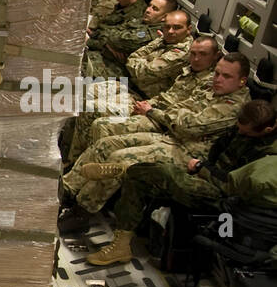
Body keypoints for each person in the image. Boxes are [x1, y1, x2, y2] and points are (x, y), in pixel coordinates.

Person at [59, 52, 252, 230]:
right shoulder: (213, 90)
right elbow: (180, 108)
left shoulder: (234, 107)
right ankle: (67, 191)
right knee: (107, 144)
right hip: (171, 136)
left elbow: (190, 125)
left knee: (119, 157)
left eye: (226, 76)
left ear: (242, 81)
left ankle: (83, 210)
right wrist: (180, 117)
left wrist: (177, 117)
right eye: (217, 73)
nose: (218, 79)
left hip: (187, 154)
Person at [84, 99, 277, 265]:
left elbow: (232, 185)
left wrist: (203, 169)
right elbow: (218, 149)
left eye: (246, 133)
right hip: (208, 173)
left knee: (165, 172)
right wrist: (204, 166)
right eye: (239, 129)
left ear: (267, 129)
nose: (240, 134)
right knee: (139, 181)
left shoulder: (267, 157)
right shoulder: (243, 127)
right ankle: (121, 245)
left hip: (223, 196)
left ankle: (125, 169)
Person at [67, 33, 221, 164]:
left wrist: (150, 110)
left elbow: (145, 73)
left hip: (160, 119)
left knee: (101, 123)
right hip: (150, 104)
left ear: (216, 56)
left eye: (203, 54)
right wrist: (148, 105)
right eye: (193, 54)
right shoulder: (189, 71)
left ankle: (87, 167)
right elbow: (133, 61)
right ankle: (75, 159)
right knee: (86, 102)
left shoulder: (210, 82)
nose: (196, 59)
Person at [83, 0, 175, 80]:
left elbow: (116, 40)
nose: (148, 10)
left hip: (116, 69)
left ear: (164, 17)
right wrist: (108, 42)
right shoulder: (143, 21)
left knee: (78, 66)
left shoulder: (154, 33)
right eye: (149, 6)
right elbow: (111, 31)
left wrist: (108, 40)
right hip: (104, 55)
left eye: (155, 9)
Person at [81, 0, 146, 76]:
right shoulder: (123, 6)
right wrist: (94, 35)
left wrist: (89, 41)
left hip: (111, 61)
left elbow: (115, 41)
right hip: (100, 45)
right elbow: (107, 31)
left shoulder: (137, 14)